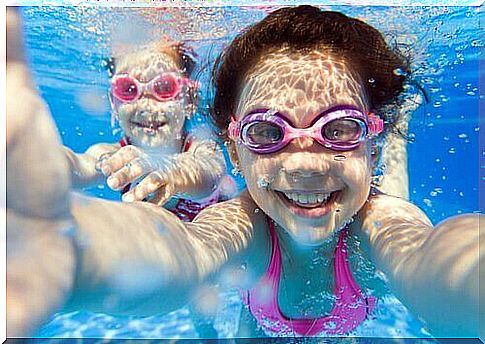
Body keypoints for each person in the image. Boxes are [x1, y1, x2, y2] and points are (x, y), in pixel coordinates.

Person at [6, 6, 480, 338]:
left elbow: (430, 257)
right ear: (235, 150)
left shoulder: (382, 229)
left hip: (366, 211)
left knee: (392, 194)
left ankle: (394, 137)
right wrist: (65, 244)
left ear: (368, 142)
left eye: (340, 128)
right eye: (267, 133)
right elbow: (185, 248)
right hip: (261, 314)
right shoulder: (244, 226)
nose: (305, 163)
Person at [64, 40, 232, 221]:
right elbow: (79, 164)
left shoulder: (202, 148)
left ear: (190, 99)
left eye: (165, 87)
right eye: (128, 89)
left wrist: (167, 168)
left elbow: (208, 172)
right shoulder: (112, 156)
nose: (146, 106)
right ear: (113, 101)